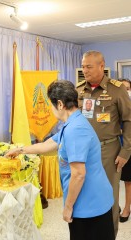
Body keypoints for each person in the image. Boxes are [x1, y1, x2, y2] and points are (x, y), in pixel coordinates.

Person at [6, 80, 115, 240]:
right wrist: (20, 150)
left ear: (60, 104)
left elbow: (78, 174)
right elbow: (49, 144)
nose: (50, 110)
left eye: (51, 105)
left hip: (89, 203)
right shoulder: (72, 123)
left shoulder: (75, 129)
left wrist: (68, 207)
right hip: (90, 198)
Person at [76, 50, 131, 236]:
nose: (85, 70)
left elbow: (129, 121)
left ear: (101, 66)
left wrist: (125, 152)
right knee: (84, 192)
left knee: (108, 196)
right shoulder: (79, 90)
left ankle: (109, 234)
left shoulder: (117, 89)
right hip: (83, 151)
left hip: (109, 151)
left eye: (88, 66)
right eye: (83, 66)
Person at [119, 78, 131, 223]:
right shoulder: (111, 105)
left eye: (127, 88)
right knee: (113, 180)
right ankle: (115, 207)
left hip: (128, 147)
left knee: (128, 180)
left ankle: (127, 207)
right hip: (114, 147)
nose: (125, 91)